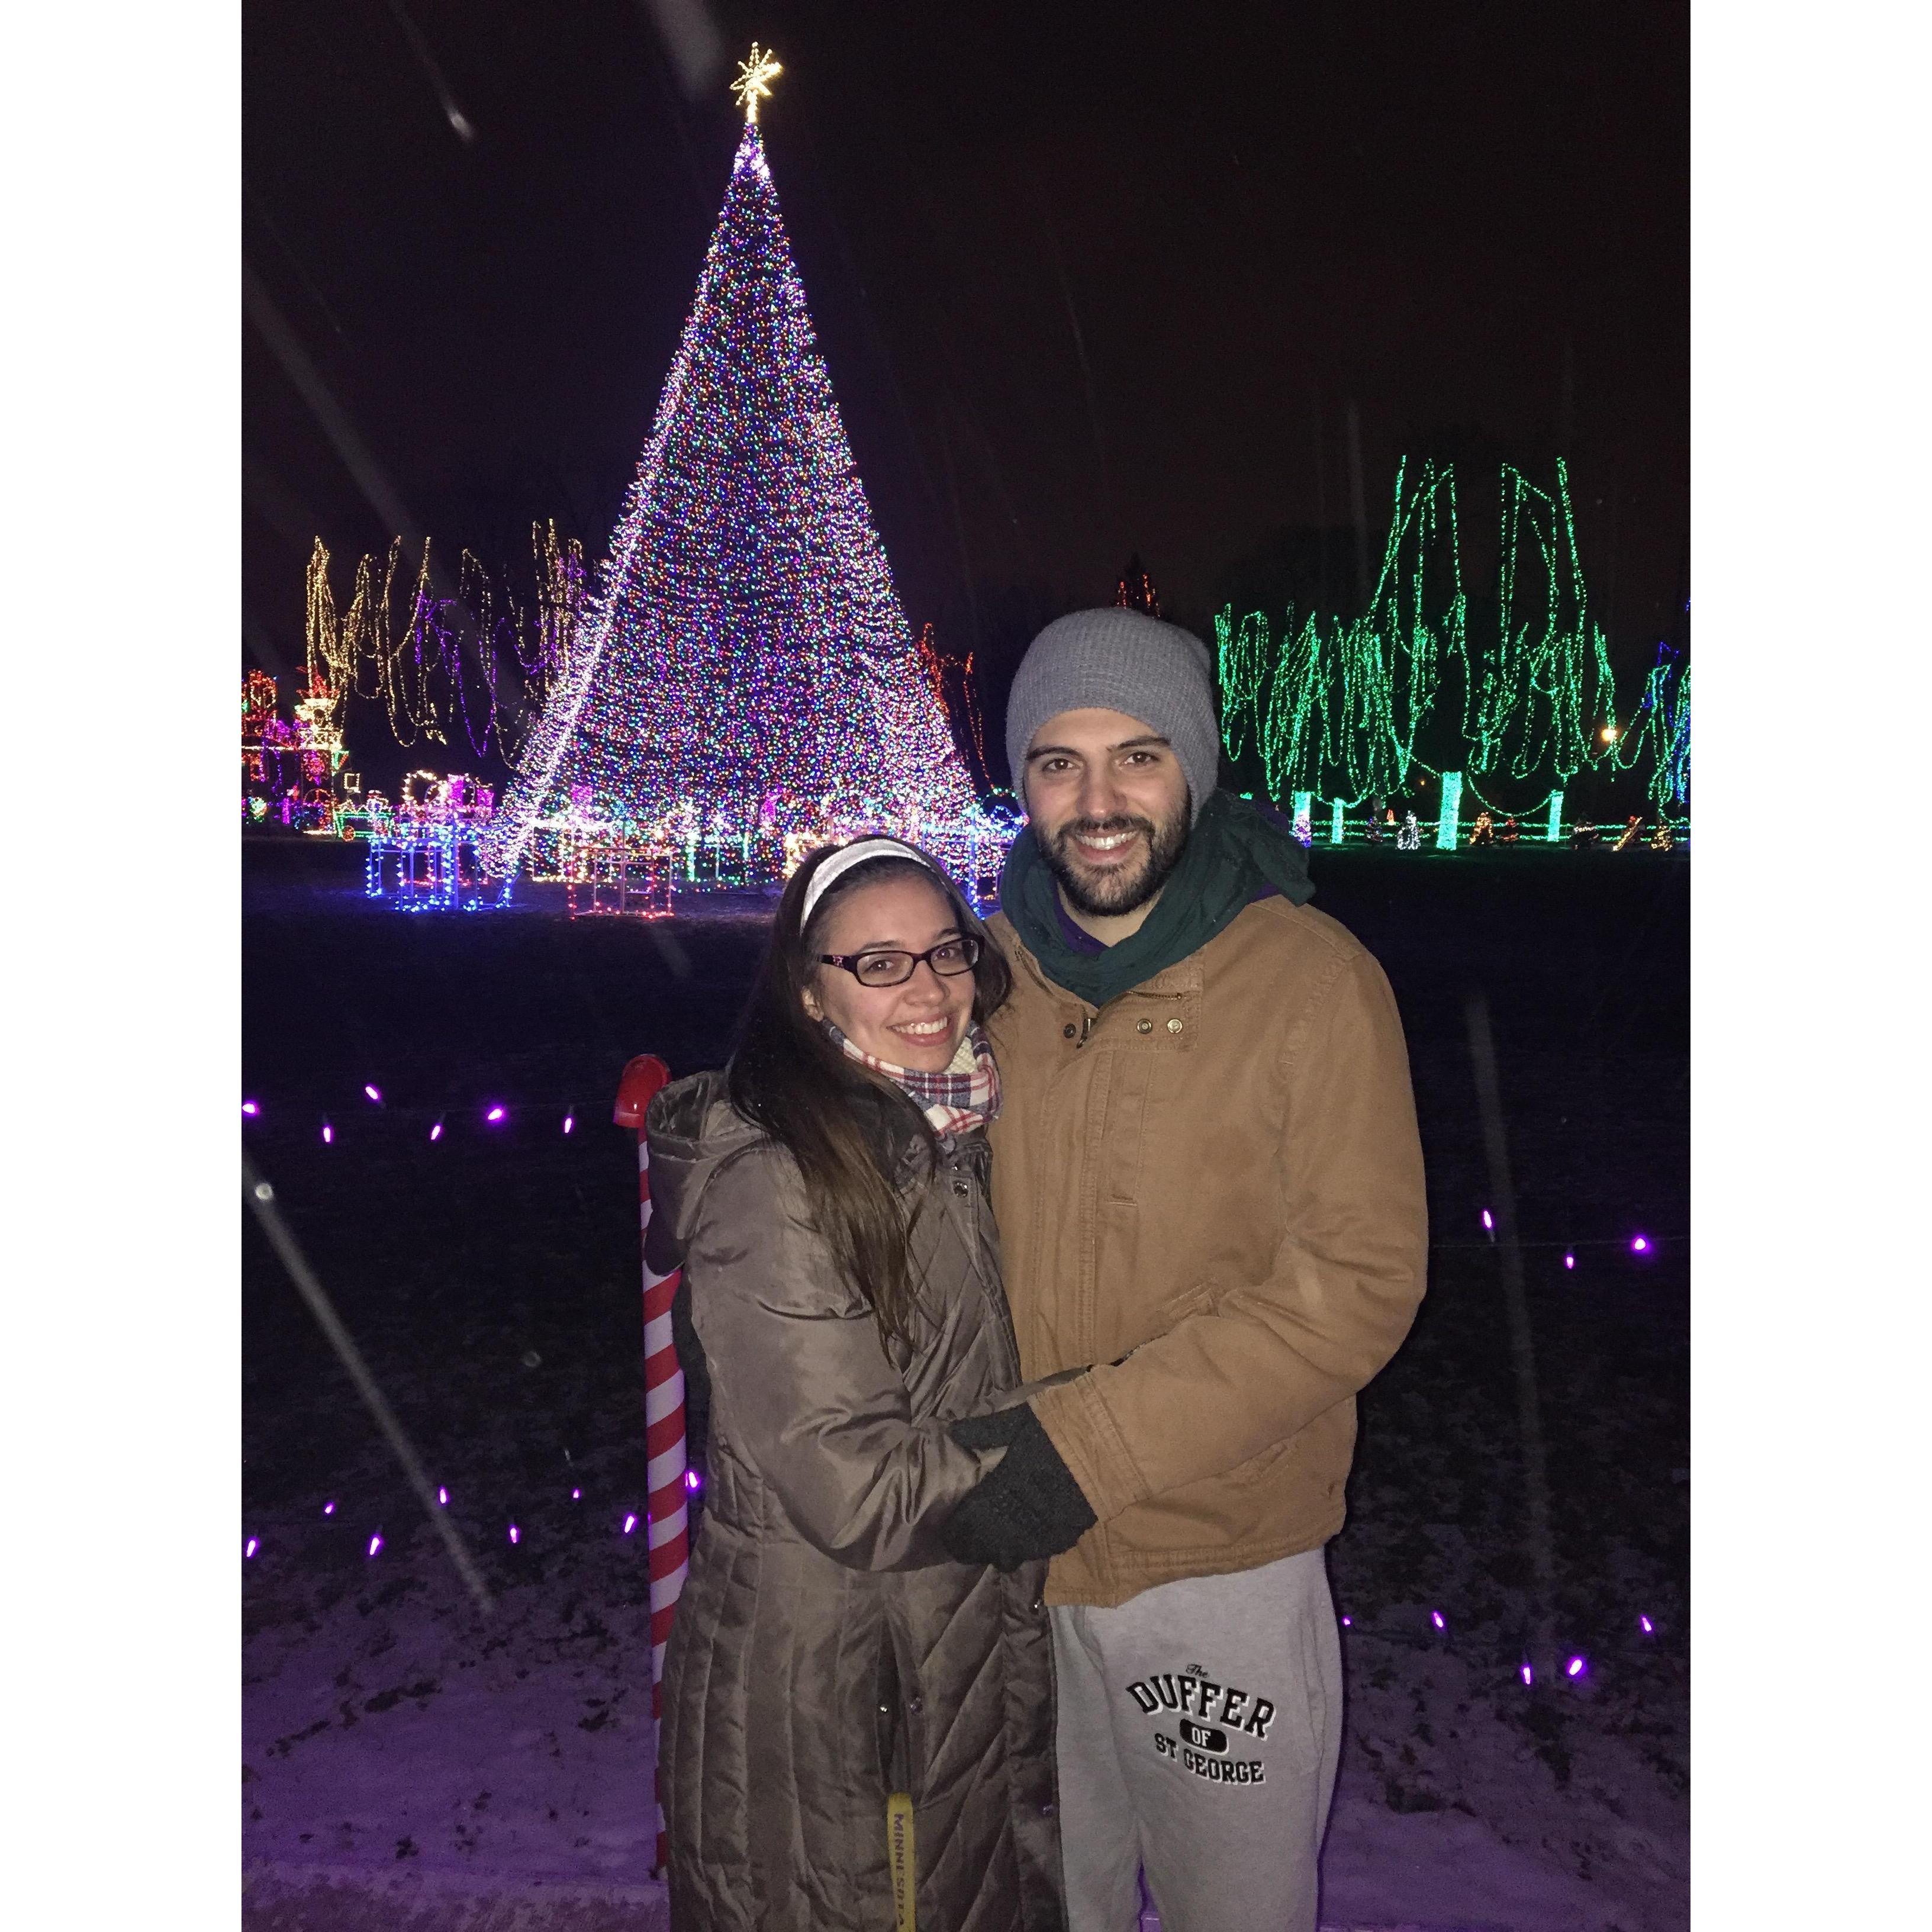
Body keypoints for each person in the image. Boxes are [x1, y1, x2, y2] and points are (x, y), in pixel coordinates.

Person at [939, 608, 1428, 1932]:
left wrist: (1084, 1449)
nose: (1097, 803)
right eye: (1057, 762)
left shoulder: (1314, 985)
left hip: (1219, 1567)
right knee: (1047, 1902)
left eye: (1137, 757)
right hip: (1012, 1563)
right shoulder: (984, 979)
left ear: (1195, 771)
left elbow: (1359, 1282)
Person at [645, 838, 1062, 1932]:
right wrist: (1087, 1451)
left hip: (942, 1644)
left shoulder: (948, 1127)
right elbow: (852, 1487)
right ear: (807, 985)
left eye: (944, 951)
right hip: (834, 1679)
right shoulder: (778, 1176)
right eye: (877, 963)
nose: (926, 990)